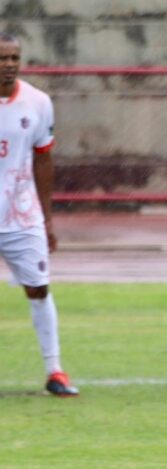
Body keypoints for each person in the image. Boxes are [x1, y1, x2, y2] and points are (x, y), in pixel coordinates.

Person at [0, 33, 73, 397]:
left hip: (20, 214)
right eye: (2, 58)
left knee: (39, 288)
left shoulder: (38, 103)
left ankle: (55, 371)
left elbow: (43, 158)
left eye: (14, 57)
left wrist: (47, 220)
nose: (9, 64)